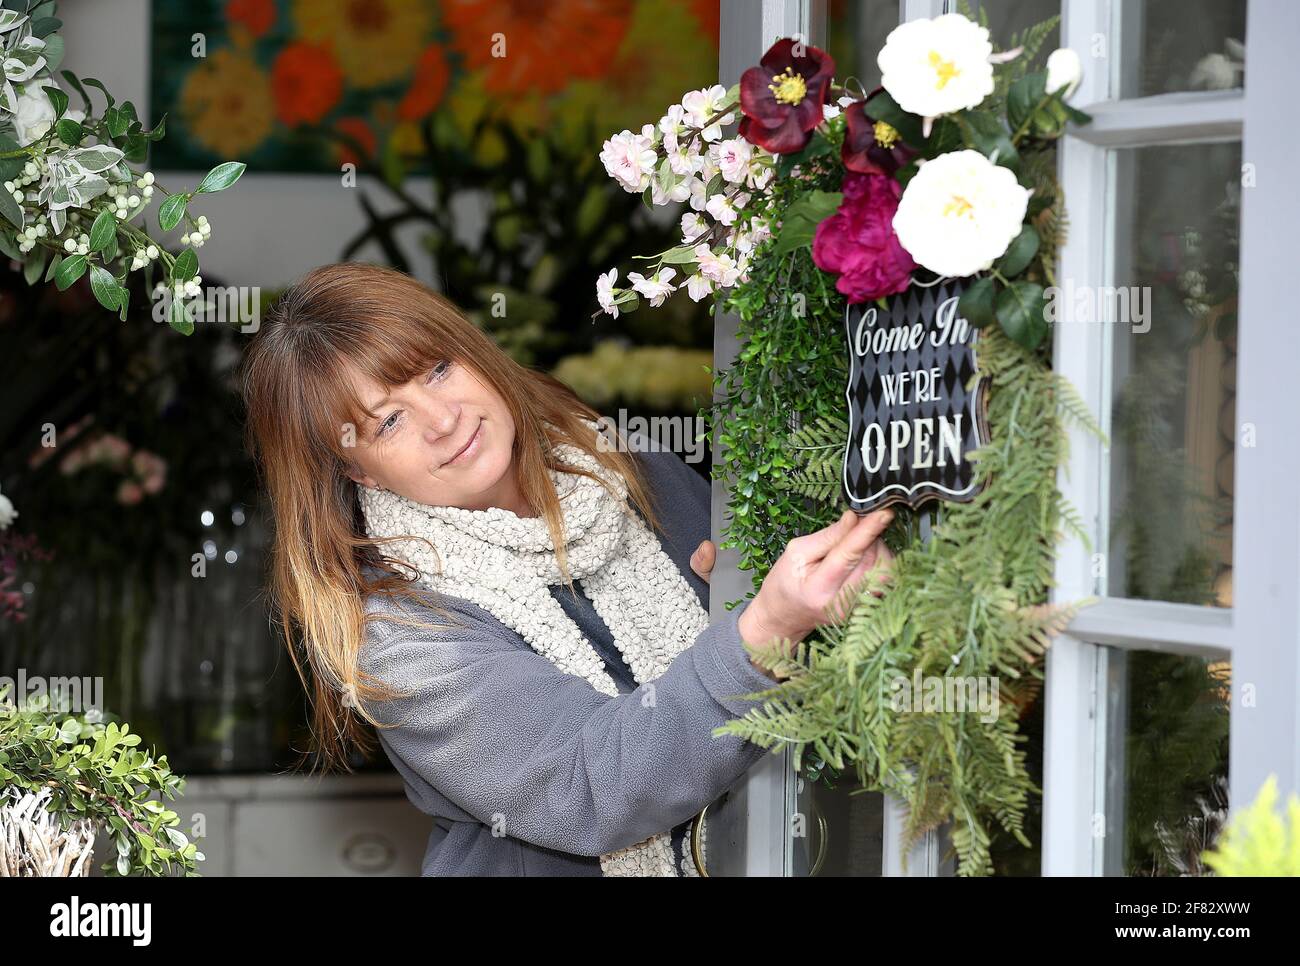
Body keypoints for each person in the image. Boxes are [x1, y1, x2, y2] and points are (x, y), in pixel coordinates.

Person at [239, 262, 894, 876]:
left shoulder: (614, 466)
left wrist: (833, 598)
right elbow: (591, 787)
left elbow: (793, 694)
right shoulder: (403, 636)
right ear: (355, 470)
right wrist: (761, 630)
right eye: (388, 421)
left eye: (439, 369)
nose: (444, 420)